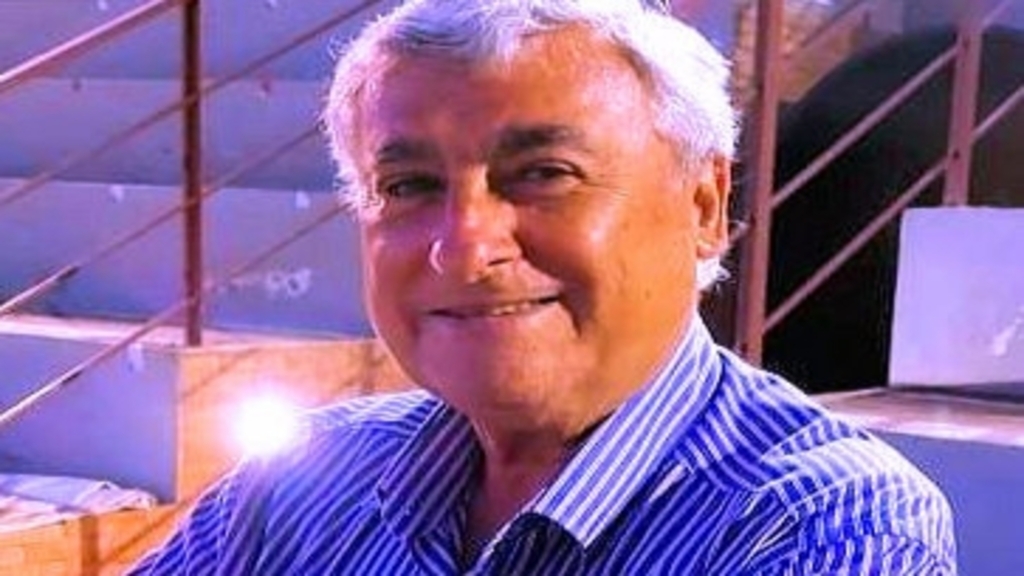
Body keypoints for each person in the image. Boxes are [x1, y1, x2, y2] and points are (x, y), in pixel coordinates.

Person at [129, 0, 956, 573]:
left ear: (704, 205)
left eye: (544, 173)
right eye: (409, 186)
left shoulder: (824, 522)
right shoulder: (304, 482)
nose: (464, 248)